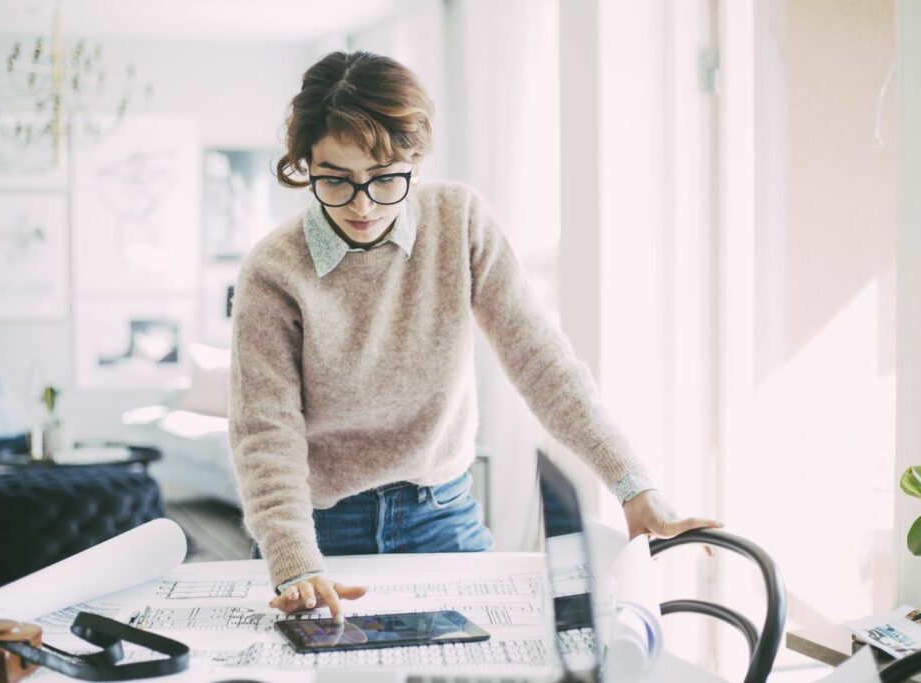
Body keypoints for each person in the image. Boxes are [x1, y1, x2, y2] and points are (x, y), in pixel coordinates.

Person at [228, 50, 722, 624]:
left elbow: (542, 362)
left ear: (414, 161)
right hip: (318, 523)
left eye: (385, 178)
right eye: (335, 179)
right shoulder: (274, 270)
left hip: (439, 512)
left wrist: (633, 484)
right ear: (305, 164)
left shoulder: (458, 222)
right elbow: (266, 433)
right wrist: (293, 560)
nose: (362, 205)